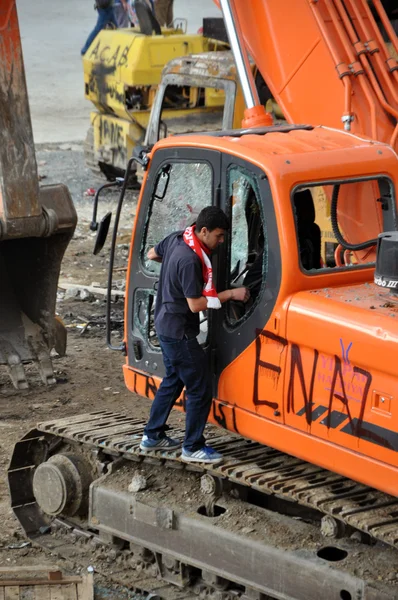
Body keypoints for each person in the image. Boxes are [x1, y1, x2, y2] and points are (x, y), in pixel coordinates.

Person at [140, 207, 250, 464]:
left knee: (174, 379)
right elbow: (196, 305)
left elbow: (152, 254)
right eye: (219, 236)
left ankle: (152, 435)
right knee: (200, 386)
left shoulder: (178, 238)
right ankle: (193, 446)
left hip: (165, 323)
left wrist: (172, 273)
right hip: (179, 331)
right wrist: (231, 294)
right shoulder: (189, 260)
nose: (221, 242)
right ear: (203, 231)